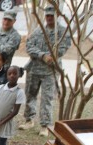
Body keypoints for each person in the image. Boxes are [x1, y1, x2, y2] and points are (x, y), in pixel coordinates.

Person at [19, 5, 71, 137]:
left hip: (50, 71)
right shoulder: (38, 31)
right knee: (30, 95)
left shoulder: (62, 32)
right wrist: (42, 55)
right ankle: (29, 120)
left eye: (51, 16)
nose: (48, 18)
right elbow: (29, 46)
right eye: (47, 16)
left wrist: (52, 56)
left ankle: (45, 125)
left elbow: (63, 48)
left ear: (57, 16)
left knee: (47, 98)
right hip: (34, 69)